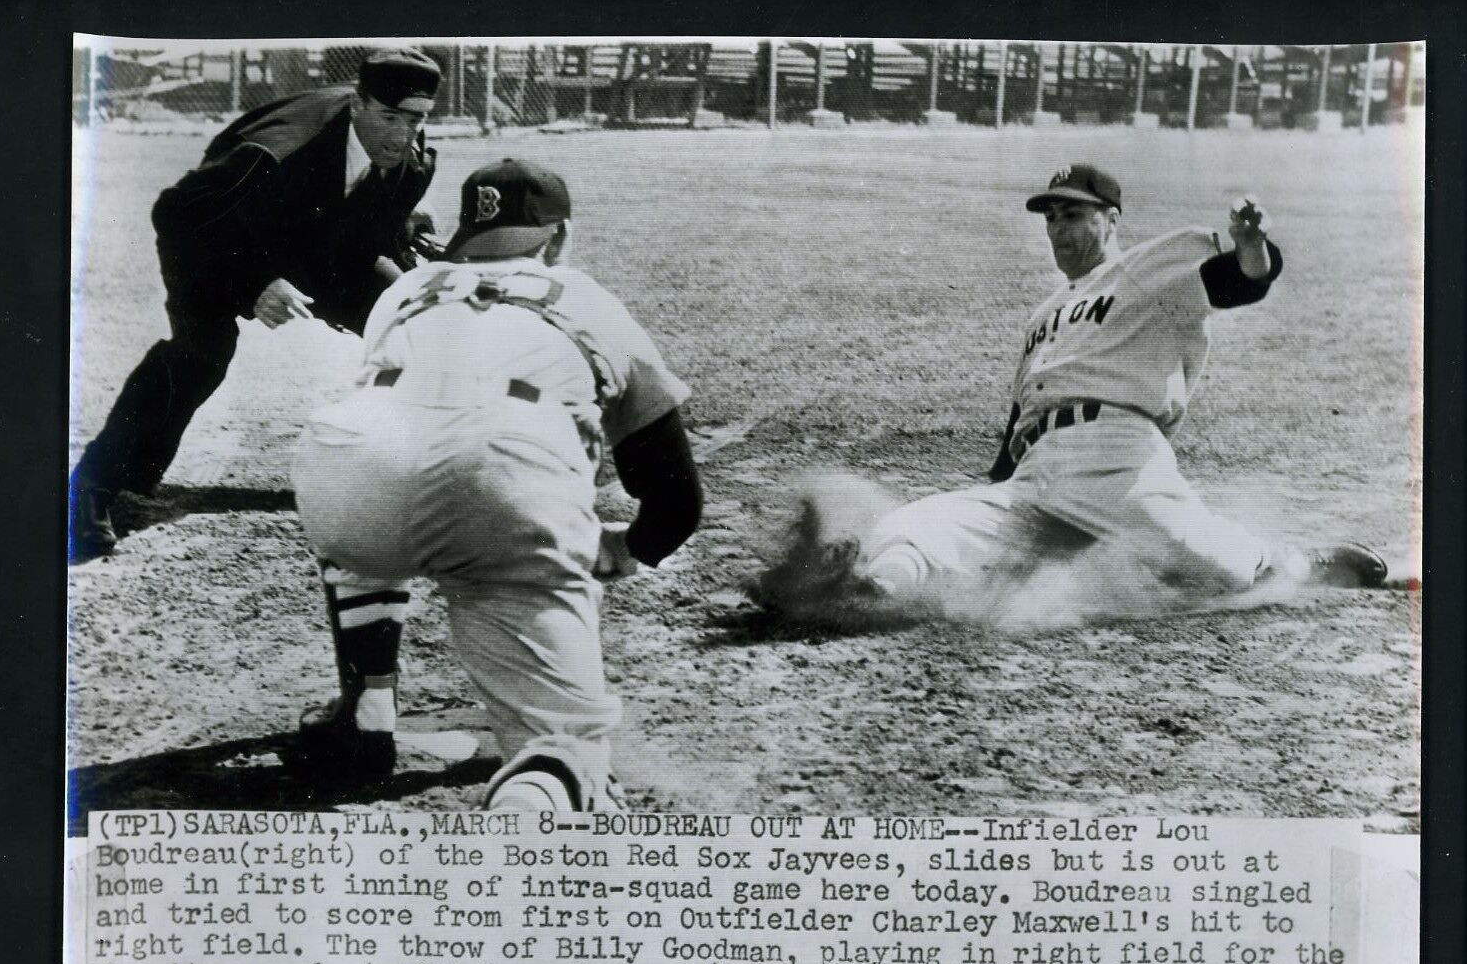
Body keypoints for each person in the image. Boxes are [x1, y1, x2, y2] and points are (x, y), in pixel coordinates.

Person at [753, 162, 1387, 613]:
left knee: (1235, 573)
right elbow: (1014, 434)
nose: (1058, 228)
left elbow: (1240, 282)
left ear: (1111, 219)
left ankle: (1308, 565)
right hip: (1038, 475)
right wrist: (994, 512)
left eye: (1074, 214)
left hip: (1119, 463)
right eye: (1052, 216)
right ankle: (866, 593)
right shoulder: (1042, 317)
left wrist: (1254, 246)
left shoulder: (1149, 278)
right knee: (921, 523)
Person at [290, 158, 703, 811]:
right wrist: (626, 549)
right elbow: (678, 500)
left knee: (379, 482)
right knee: (559, 759)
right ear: (558, 238)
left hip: (347, 467)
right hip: (505, 474)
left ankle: (366, 708)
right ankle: (540, 799)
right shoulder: (587, 297)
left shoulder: (406, 289)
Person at [69, 48, 443, 561]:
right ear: (357, 104)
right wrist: (254, 284)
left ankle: (437, 473)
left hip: (315, 240)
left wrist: (409, 244)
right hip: (218, 238)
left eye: (417, 118)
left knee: (414, 318)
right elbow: (178, 213)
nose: (403, 134)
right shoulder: (280, 150)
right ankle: (94, 485)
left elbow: (369, 224)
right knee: (204, 353)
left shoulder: (408, 154)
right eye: (391, 117)